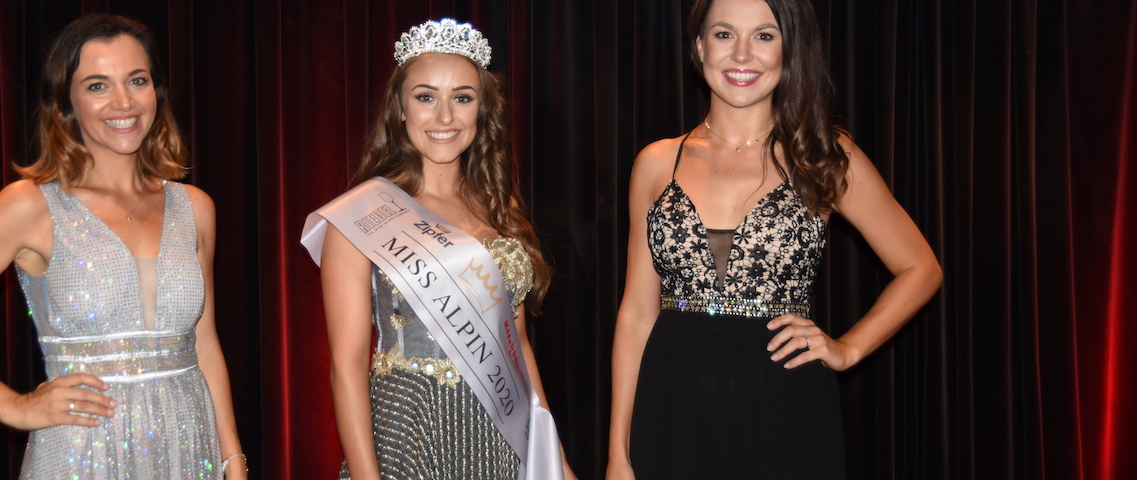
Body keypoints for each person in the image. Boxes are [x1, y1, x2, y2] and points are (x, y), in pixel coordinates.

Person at [0, 14, 246, 479]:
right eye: (97, 86)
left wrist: (233, 459)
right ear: (66, 102)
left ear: (157, 91)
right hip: (82, 452)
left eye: (137, 80)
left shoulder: (195, 207)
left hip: (188, 448)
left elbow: (203, 343)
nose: (124, 101)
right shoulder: (32, 207)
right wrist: (14, 406)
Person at [607, 0, 943, 478]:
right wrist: (617, 453)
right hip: (671, 409)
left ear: (789, 49)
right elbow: (637, 314)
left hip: (785, 407)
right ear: (700, 46)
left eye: (764, 36)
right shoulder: (656, 163)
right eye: (724, 34)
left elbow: (920, 268)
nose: (742, 54)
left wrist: (848, 348)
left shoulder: (822, 155)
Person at [300, 18, 576, 480]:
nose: (445, 117)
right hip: (409, 430)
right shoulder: (363, 215)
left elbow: (518, 347)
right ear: (400, 110)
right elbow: (345, 367)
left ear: (482, 111)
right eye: (426, 97)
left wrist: (556, 460)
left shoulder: (501, 207)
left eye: (462, 98)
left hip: (498, 432)